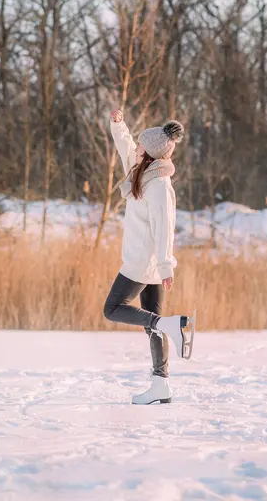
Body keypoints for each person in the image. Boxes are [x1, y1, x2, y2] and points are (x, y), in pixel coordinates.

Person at [103, 108, 192, 405]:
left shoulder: (159, 186)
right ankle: (160, 385)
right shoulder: (143, 170)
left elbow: (165, 227)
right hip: (149, 263)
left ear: (151, 154)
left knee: (113, 308)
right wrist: (119, 125)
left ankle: (167, 325)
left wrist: (167, 265)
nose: (137, 147)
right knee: (151, 322)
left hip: (144, 261)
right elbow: (126, 147)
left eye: (142, 145)